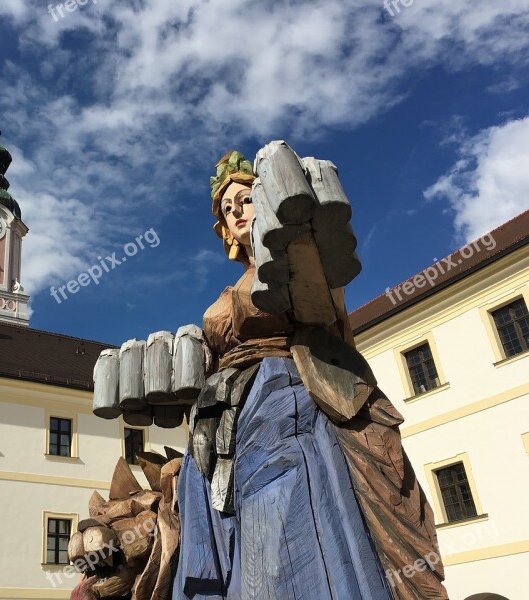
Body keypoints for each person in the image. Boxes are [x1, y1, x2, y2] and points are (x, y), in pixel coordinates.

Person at [173, 151, 447, 600]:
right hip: (222, 423)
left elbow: (322, 311)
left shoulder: (296, 260)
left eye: (245, 199)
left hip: (285, 400)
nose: (237, 211)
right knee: (225, 545)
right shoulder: (230, 290)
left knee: (283, 541)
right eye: (228, 208)